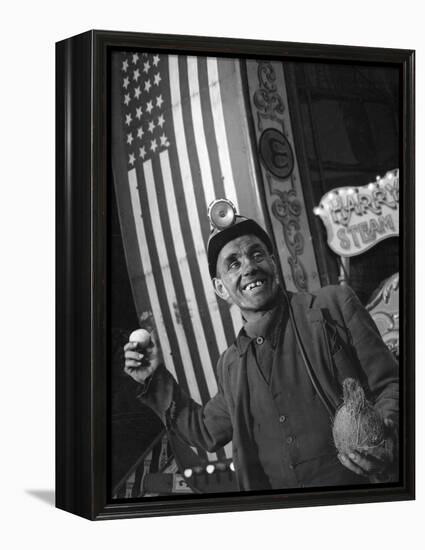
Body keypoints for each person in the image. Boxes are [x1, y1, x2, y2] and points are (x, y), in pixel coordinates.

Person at [124, 201, 398, 491]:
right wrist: (155, 378)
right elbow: (206, 431)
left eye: (257, 254)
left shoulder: (334, 305)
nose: (249, 267)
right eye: (233, 263)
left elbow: (391, 384)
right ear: (221, 288)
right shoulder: (230, 364)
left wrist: (386, 433)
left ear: (273, 263)